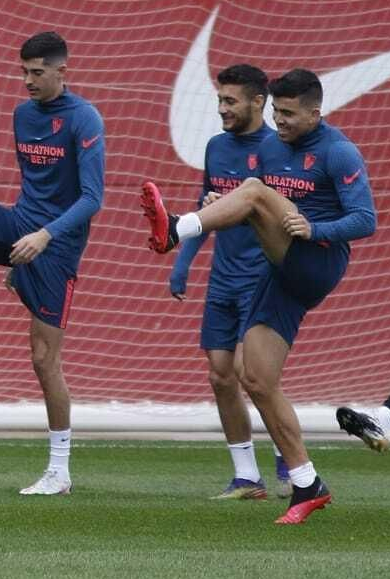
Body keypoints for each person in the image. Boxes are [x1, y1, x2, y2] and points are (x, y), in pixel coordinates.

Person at [142, 68, 376, 524]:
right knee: (256, 378)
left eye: (288, 113)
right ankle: (308, 484)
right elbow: (257, 214)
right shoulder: (271, 149)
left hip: (317, 261)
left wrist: (315, 227)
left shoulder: (339, 151)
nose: (280, 120)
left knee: (251, 191)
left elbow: (365, 220)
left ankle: (177, 227)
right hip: (281, 270)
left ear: (315, 111)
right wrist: (220, 213)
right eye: (275, 111)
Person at [0, 31, 104, 496]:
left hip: (57, 247)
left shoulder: (84, 119)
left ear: (61, 72)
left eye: (37, 73)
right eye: (24, 72)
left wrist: (44, 237)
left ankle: (60, 471)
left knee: (43, 360)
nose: (28, 81)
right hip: (22, 228)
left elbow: (93, 198)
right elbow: (35, 188)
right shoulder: (22, 114)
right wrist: (20, 244)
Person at [167, 64, 290, 499]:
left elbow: (286, 214)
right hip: (223, 278)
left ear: (259, 102)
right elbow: (206, 207)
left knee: (250, 371)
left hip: (262, 277)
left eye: (230, 101)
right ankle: (246, 476)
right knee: (220, 376)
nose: (222, 108)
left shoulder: (278, 150)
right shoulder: (217, 147)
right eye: (219, 100)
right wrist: (184, 262)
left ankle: (287, 457)